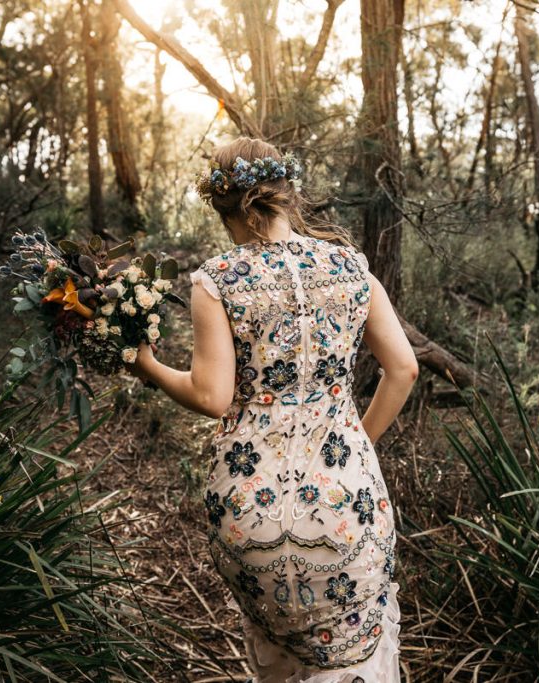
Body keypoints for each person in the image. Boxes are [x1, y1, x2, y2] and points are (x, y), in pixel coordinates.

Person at [127, 137, 419, 682]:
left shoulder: (217, 280)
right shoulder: (351, 267)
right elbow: (403, 370)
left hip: (249, 513)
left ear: (222, 206)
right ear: (289, 193)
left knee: (281, 661)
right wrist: (359, 443)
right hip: (344, 498)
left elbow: (212, 398)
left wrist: (147, 364)